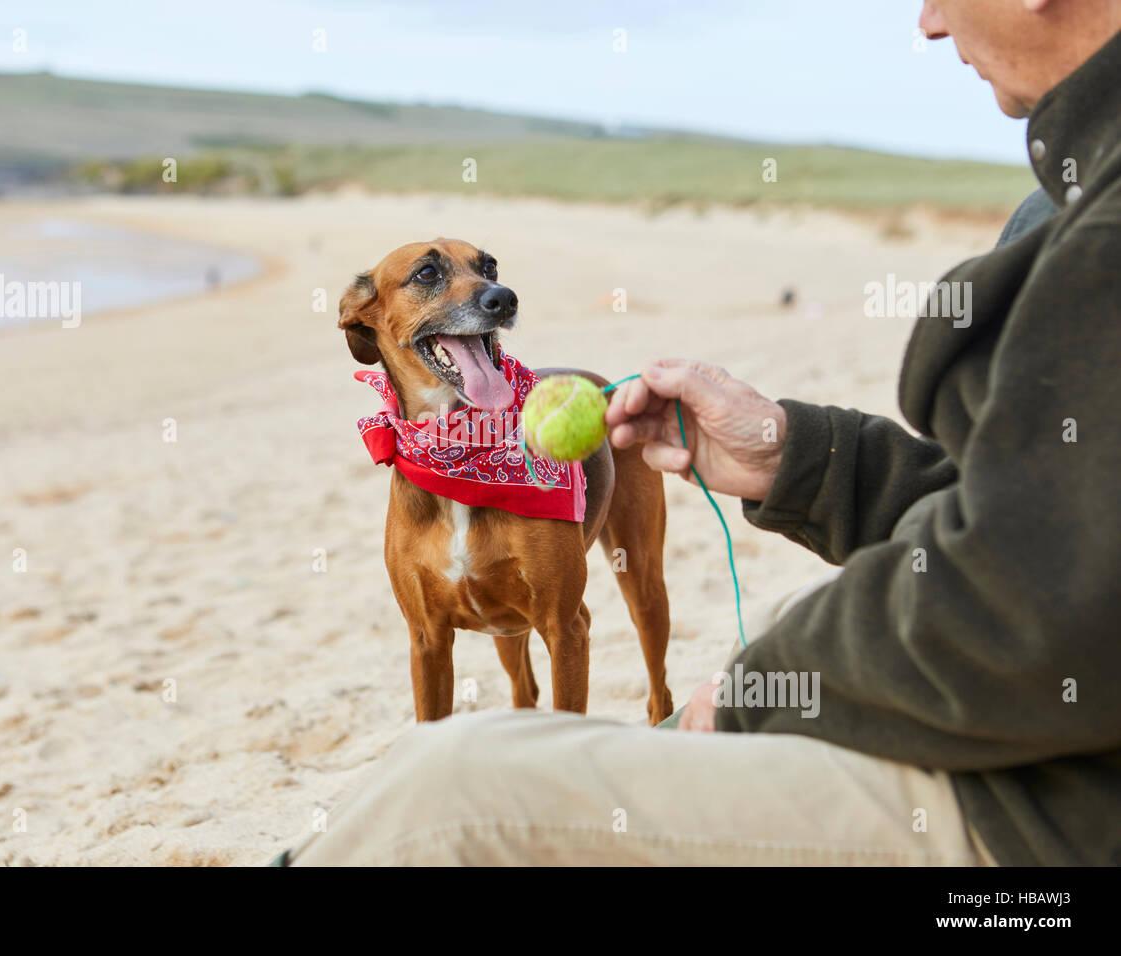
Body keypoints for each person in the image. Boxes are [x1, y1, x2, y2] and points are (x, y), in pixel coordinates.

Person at [283, 1, 1121, 866]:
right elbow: (1031, 520)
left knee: (456, 784)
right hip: (1037, 760)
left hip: (1049, 814)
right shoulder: (1077, 197)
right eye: (434, 279)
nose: (931, 22)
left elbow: (1034, 603)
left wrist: (765, 685)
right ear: (369, 319)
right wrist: (798, 454)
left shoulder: (1102, 231)